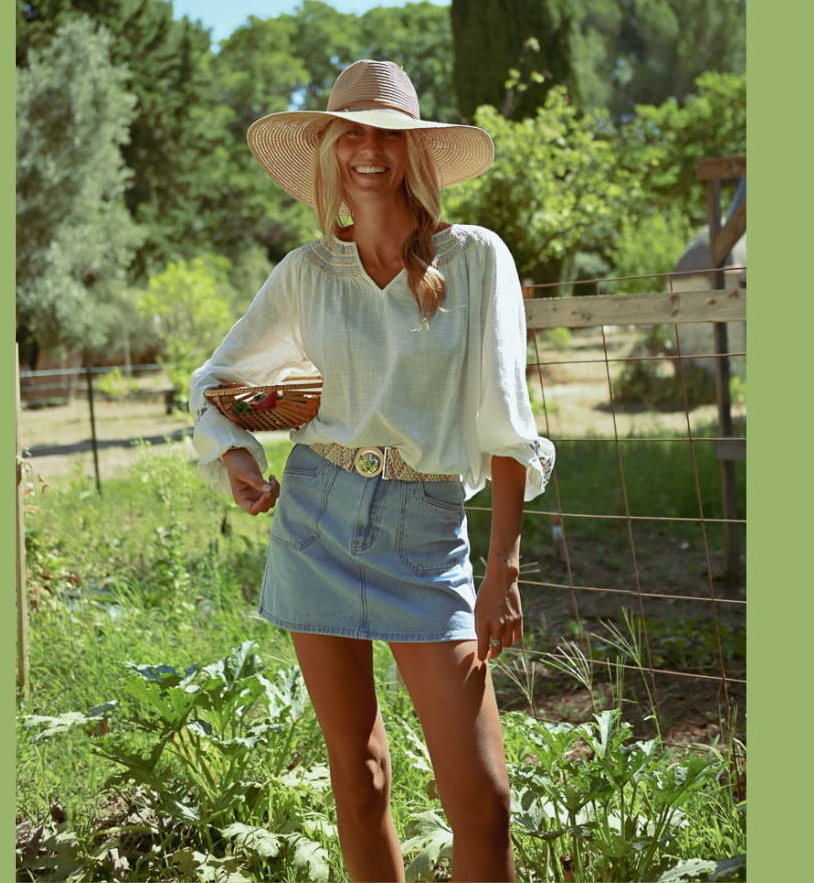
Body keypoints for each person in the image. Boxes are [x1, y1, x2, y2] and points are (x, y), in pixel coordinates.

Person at [189, 60, 554, 883]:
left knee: (484, 801)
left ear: (414, 152)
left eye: (386, 134)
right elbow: (214, 382)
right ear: (328, 151)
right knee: (359, 781)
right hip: (316, 516)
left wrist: (504, 566)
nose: (367, 149)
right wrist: (240, 457)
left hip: (426, 532)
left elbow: (504, 421)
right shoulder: (306, 273)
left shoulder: (475, 259)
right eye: (349, 132)